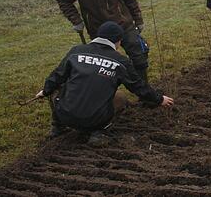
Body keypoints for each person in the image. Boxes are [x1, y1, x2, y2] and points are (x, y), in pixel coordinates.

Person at [36, 21, 174, 146]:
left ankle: (57, 127)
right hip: (95, 119)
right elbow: (138, 86)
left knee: (55, 87)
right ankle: (99, 132)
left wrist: (45, 91)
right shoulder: (120, 61)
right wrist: (159, 99)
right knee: (120, 98)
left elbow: (56, 76)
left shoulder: (76, 51)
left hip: (64, 115)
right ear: (118, 41)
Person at [56, 0, 151, 83]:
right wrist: (76, 20)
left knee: (139, 56)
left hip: (123, 24)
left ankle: (143, 90)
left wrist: (138, 19)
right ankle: (106, 93)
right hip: (99, 30)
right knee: (103, 66)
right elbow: (63, 0)